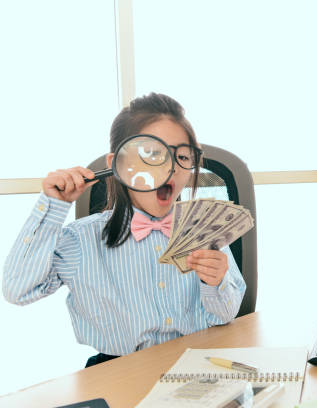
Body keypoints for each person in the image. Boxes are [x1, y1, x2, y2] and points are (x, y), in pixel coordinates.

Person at [2, 93, 246, 367]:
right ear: (117, 165)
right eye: (152, 155)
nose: (170, 169)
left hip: (197, 363)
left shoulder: (206, 229)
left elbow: (225, 315)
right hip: (117, 371)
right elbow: (17, 290)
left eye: (182, 156)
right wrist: (53, 206)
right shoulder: (81, 239)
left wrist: (214, 283)